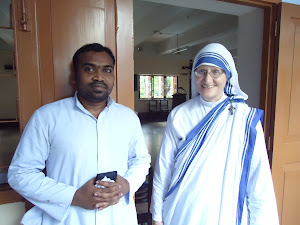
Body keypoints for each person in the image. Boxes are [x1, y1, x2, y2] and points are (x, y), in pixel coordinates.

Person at [8, 43, 151, 225]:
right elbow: (20, 173)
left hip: (117, 217)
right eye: (89, 69)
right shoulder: (47, 117)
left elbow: (141, 159)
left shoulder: (128, 117)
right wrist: (74, 196)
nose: (99, 77)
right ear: (75, 76)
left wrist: (127, 184)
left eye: (107, 70)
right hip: (69, 218)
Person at [150, 43, 279, 225]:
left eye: (215, 71)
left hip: (225, 213)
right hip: (181, 212)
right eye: (201, 71)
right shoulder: (179, 115)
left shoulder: (245, 118)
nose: (207, 79)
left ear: (228, 76)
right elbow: (164, 169)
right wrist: (157, 216)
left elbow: (259, 180)